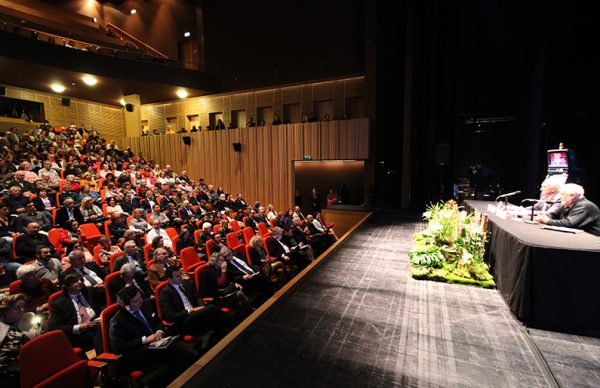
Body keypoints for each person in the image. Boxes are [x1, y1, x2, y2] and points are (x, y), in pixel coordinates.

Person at [109, 287, 197, 384]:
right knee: (175, 350)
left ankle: (188, 375)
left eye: (140, 298)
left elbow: (158, 322)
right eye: (135, 301)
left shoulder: (146, 305)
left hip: (157, 343)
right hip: (137, 353)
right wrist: (145, 340)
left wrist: (159, 331)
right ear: (126, 304)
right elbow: (118, 348)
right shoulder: (117, 321)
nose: (140, 301)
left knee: (177, 345)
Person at [158, 267, 230, 338]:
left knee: (214, 314)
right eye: (177, 276)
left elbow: (197, 297)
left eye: (180, 274)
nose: (180, 277)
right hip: (183, 320)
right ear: (169, 279)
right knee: (212, 309)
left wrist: (202, 306)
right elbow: (169, 317)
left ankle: (223, 336)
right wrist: (189, 311)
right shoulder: (165, 293)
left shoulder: (186, 283)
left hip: (197, 312)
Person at [48, 273, 102, 353]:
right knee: (100, 332)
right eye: (75, 281)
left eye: (81, 280)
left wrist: (102, 315)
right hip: (79, 334)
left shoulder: (89, 291)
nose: (80, 282)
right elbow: (54, 327)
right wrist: (78, 327)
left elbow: (102, 305)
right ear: (66, 286)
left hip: (97, 323)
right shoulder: (60, 303)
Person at [0, 293, 43, 387]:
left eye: (23, 307)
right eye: (17, 307)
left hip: (34, 360)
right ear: (5, 309)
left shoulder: (28, 318)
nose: (22, 310)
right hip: (8, 372)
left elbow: (39, 338)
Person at [536, 183, 600, 236]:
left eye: (562, 194)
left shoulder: (584, 205)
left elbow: (569, 223)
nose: (560, 197)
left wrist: (547, 221)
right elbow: (553, 214)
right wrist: (543, 217)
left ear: (572, 195)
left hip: (592, 238)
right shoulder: (568, 203)